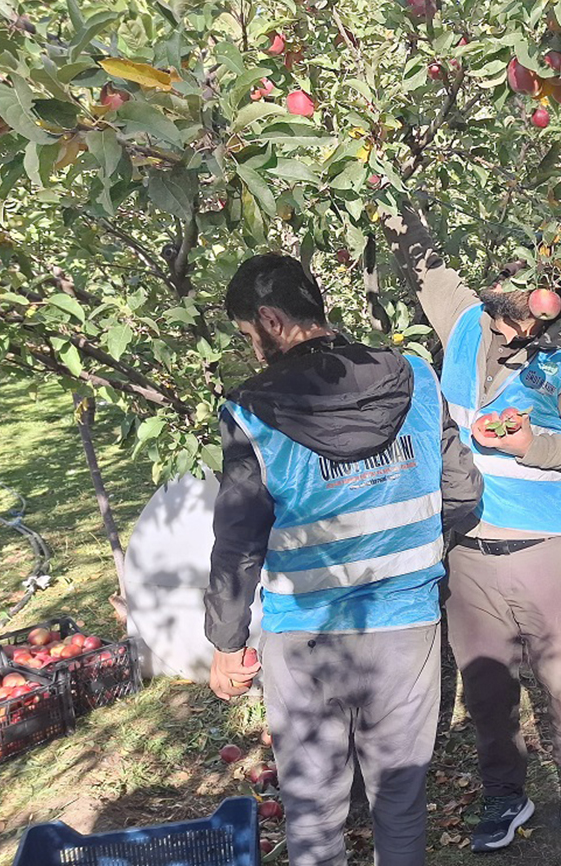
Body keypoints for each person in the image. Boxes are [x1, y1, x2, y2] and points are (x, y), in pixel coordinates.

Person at [204, 253, 481, 866]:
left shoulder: (251, 410)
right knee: (400, 800)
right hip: (407, 625)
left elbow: (238, 542)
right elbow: (464, 494)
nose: (252, 351)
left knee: (312, 809)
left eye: (249, 335)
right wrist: (415, 562)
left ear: (272, 321)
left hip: (305, 638)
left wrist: (227, 642)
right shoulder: (414, 377)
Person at [384, 204, 561, 852]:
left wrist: (533, 443)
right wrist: (378, 171)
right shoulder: (459, 320)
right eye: (519, 314)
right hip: (467, 554)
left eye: (542, 318)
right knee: (486, 687)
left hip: (544, 551)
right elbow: (418, 252)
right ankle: (505, 796)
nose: (524, 331)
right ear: (498, 289)